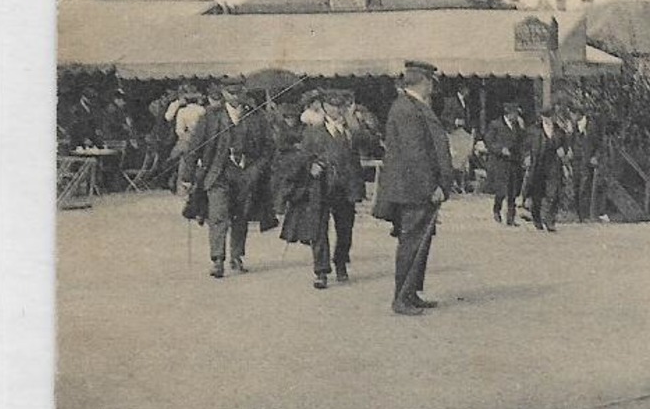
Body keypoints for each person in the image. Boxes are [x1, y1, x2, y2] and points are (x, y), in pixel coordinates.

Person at [372, 61, 453, 315]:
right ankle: (402, 298)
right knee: (412, 242)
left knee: (420, 241)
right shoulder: (407, 108)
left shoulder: (412, 106)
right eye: (431, 81)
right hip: (415, 189)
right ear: (424, 81)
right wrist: (433, 187)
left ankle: (411, 293)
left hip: (416, 188)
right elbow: (415, 154)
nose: (433, 86)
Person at [186, 76, 277, 278]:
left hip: (246, 175)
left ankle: (236, 256)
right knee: (218, 215)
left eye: (238, 92)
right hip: (218, 173)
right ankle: (217, 259)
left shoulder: (256, 116)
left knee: (241, 216)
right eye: (230, 93)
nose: (234, 97)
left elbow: (269, 148)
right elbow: (194, 147)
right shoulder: (210, 117)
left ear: (244, 92)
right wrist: (187, 177)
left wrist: (256, 170)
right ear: (223, 94)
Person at [280, 89, 367, 289]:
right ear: (325, 107)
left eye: (340, 106)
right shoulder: (313, 131)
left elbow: (369, 144)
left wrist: (353, 123)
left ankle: (341, 261)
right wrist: (311, 166)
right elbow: (302, 157)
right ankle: (321, 271)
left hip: (346, 187)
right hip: (321, 186)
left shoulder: (352, 129)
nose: (336, 110)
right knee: (318, 229)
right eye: (331, 106)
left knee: (345, 229)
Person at [522, 107, 566, 231]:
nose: (548, 119)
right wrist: (526, 157)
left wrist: (564, 150)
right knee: (537, 193)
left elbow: (565, 145)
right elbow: (526, 146)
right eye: (545, 117)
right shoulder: (534, 130)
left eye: (550, 116)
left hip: (553, 163)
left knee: (553, 193)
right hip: (538, 164)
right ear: (541, 117)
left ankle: (549, 220)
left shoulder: (559, 131)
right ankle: (536, 218)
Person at [482, 103, 526, 224]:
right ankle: (497, 210)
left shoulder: (517, 126)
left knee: (513, 190)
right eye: (515, 114)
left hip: (514, 161)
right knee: (501, 190)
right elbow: (489, 141)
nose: (516, 117)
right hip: (500, 162)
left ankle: (511, 217)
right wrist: (500, 149)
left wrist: (522, 129)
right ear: (508, 114)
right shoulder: (496, 125)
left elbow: (522, 142)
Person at [163, 84, 206, 192]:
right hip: (202, 140)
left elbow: (179, 130)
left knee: (183, 163)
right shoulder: (203, 110)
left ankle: (181, 188)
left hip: (187, 140)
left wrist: (186, 137)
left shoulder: (182, 111)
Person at [567, 110, 599, 222]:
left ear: (579, 114)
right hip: (576, 161)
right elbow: (570, 141)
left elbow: (598, 144)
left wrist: (594, 156)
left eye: (573, 114)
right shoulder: (574, 127)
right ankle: (579, 215)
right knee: (576, 187)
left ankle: (585, 215)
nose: (572, 116)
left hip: (586, 161)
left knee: (584, 188)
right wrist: (569, 149)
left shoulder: (591, 126)